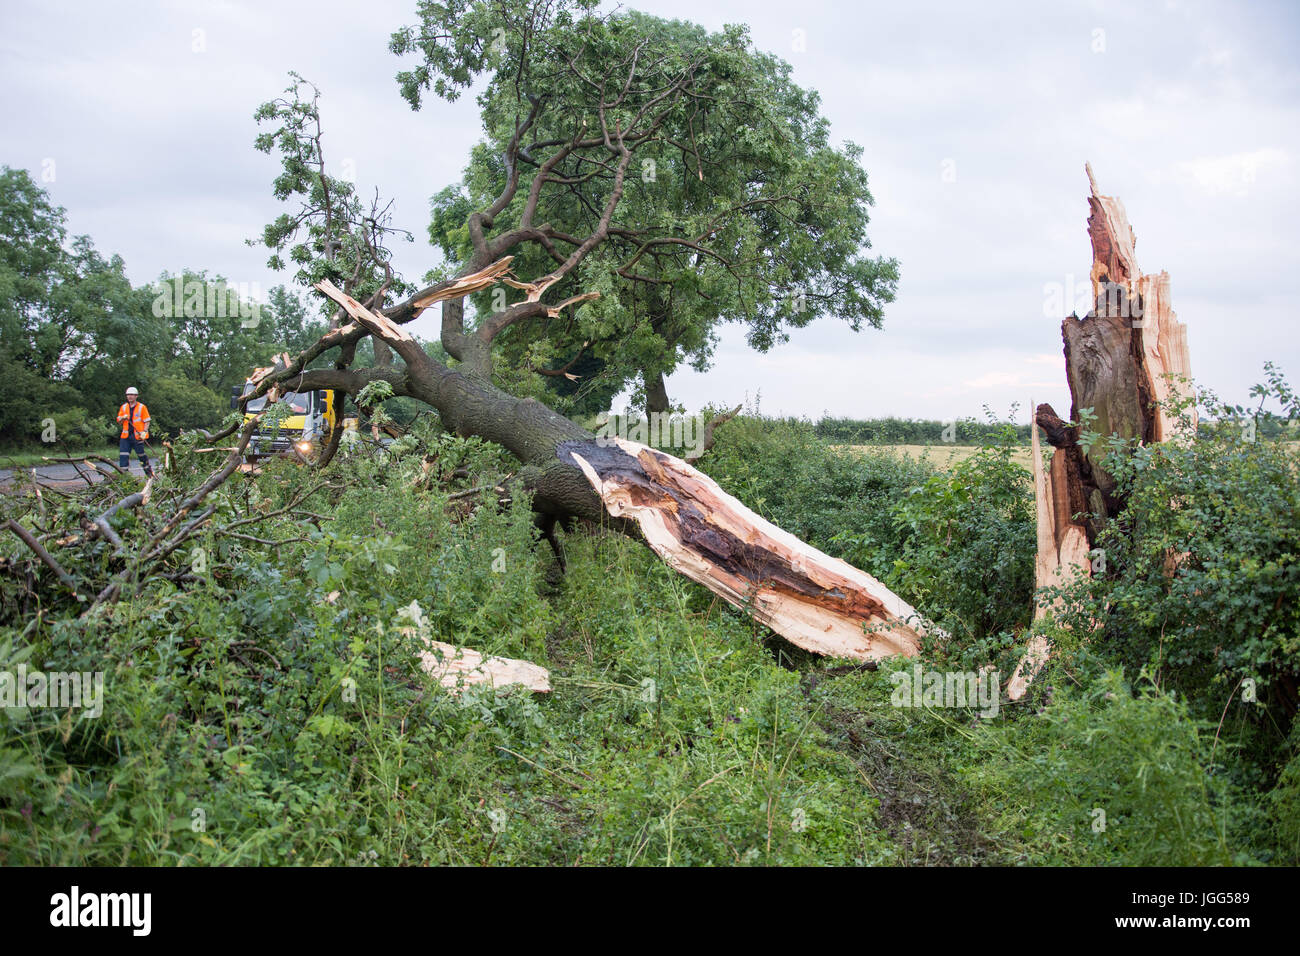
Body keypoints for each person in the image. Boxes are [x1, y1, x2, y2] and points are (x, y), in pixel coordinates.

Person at [116, 387, 154, 478]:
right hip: (126, 437)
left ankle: (150, 475)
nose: (130, 396)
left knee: (141, 456)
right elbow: (119, 421)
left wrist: (144, 431)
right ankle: (125, 478)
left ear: (136, 396)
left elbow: (147, 420)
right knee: (123, 457)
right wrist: (122, 418)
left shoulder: (142, 407)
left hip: (137, 437)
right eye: (128, 395)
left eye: (132, 395)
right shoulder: (124, 407)